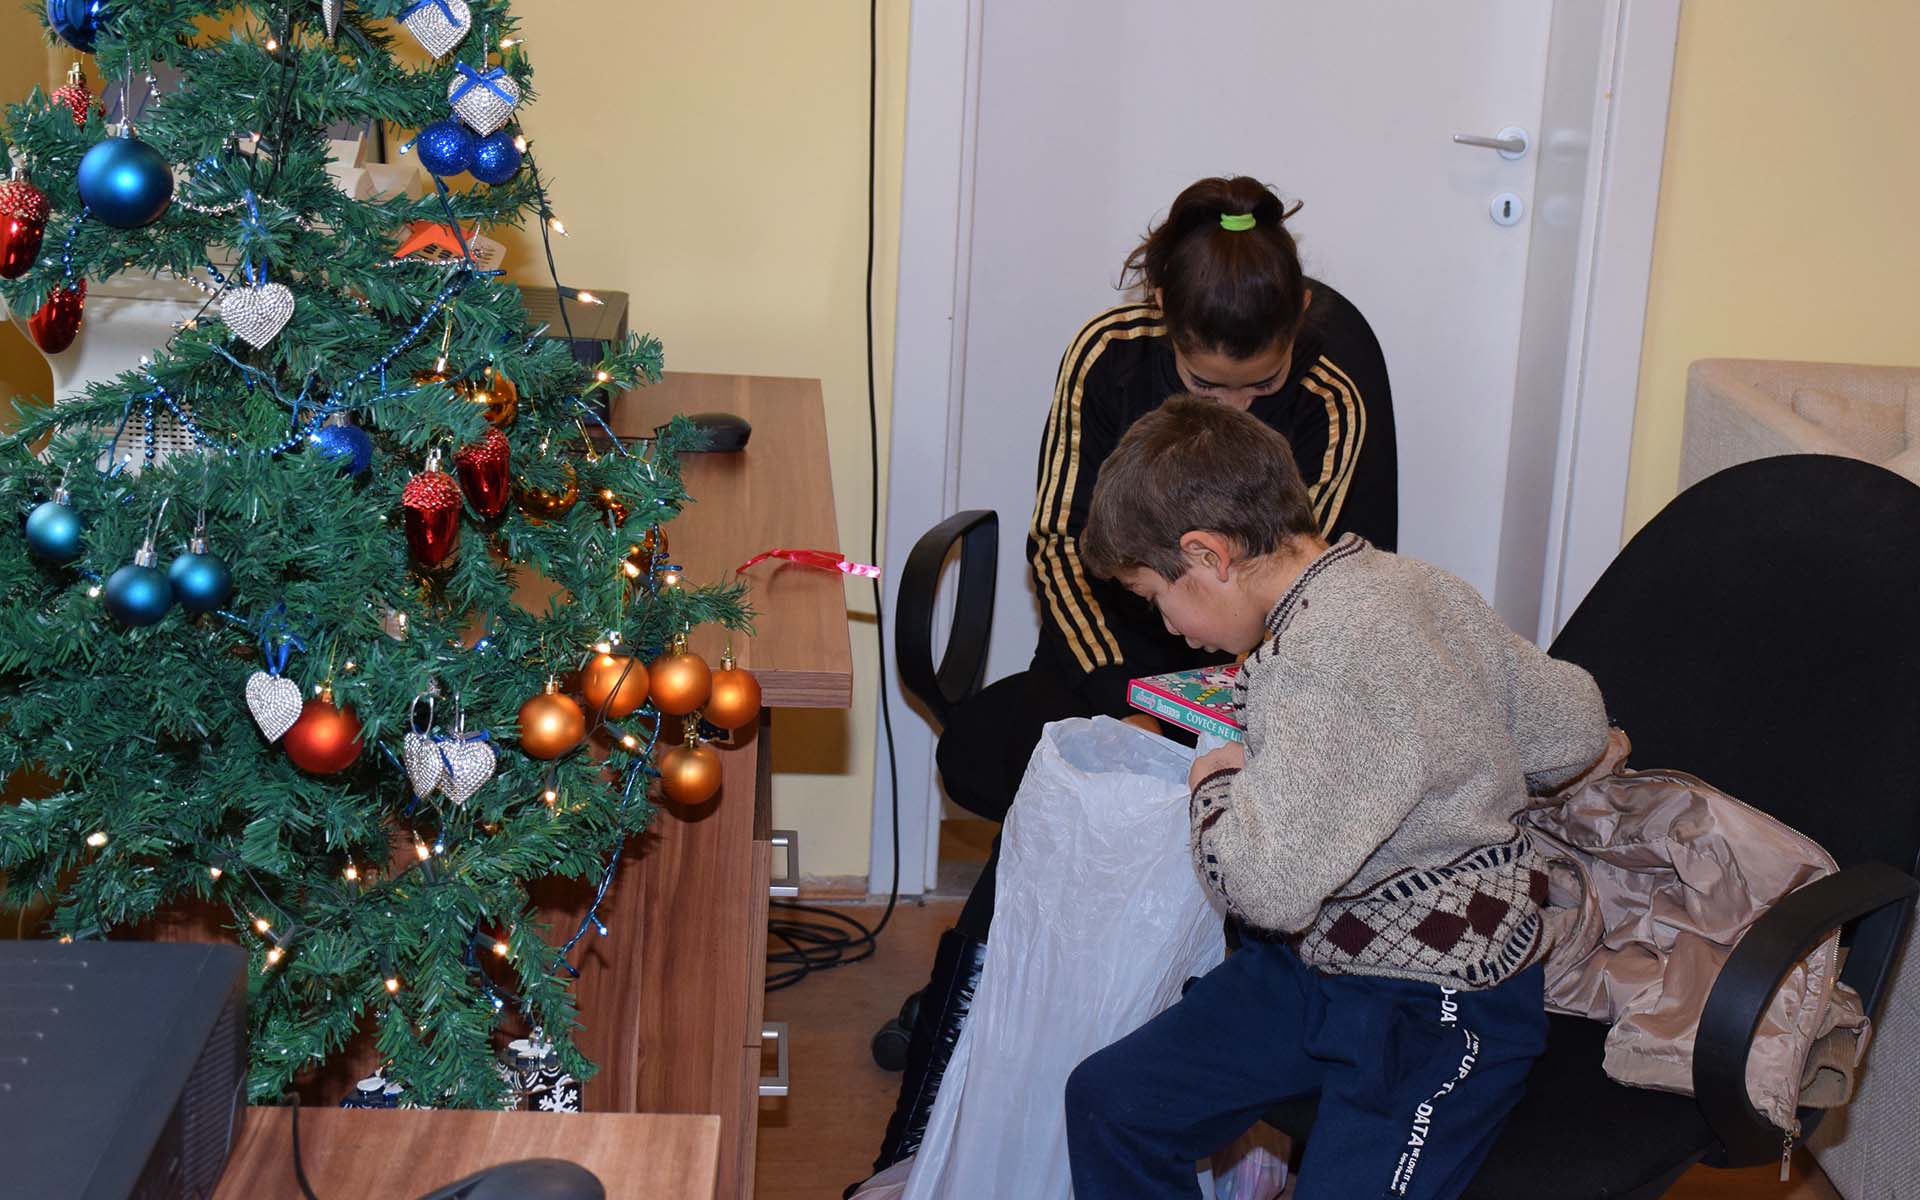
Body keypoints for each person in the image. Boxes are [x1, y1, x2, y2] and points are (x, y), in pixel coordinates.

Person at [864, 175, 1398, 1183]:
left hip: (1244, 677)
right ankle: (946, 1095)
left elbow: (1301, 586)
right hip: (1101, 656)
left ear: (1298, 323)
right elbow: (1059, 546)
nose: (1234, 412)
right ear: (1163, 320)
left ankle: (1188, 1070)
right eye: (1207, 386)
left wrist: (1221, 705)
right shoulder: (1106, 356)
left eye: (1260, 386)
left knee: (1223, 816)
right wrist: (1121, 694)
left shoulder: (1332, 397)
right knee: (1047, 775)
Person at [1061, 397, 1609, 1199]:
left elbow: (1264, 889)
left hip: (1440, 1002)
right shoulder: (1413, 582)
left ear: (1208, 554)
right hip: (1322, 964)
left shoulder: (1320, 659)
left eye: (1153, 596)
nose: (1167, 625)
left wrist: (1216, 783)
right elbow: (1576, 728)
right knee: (1114, 1103)